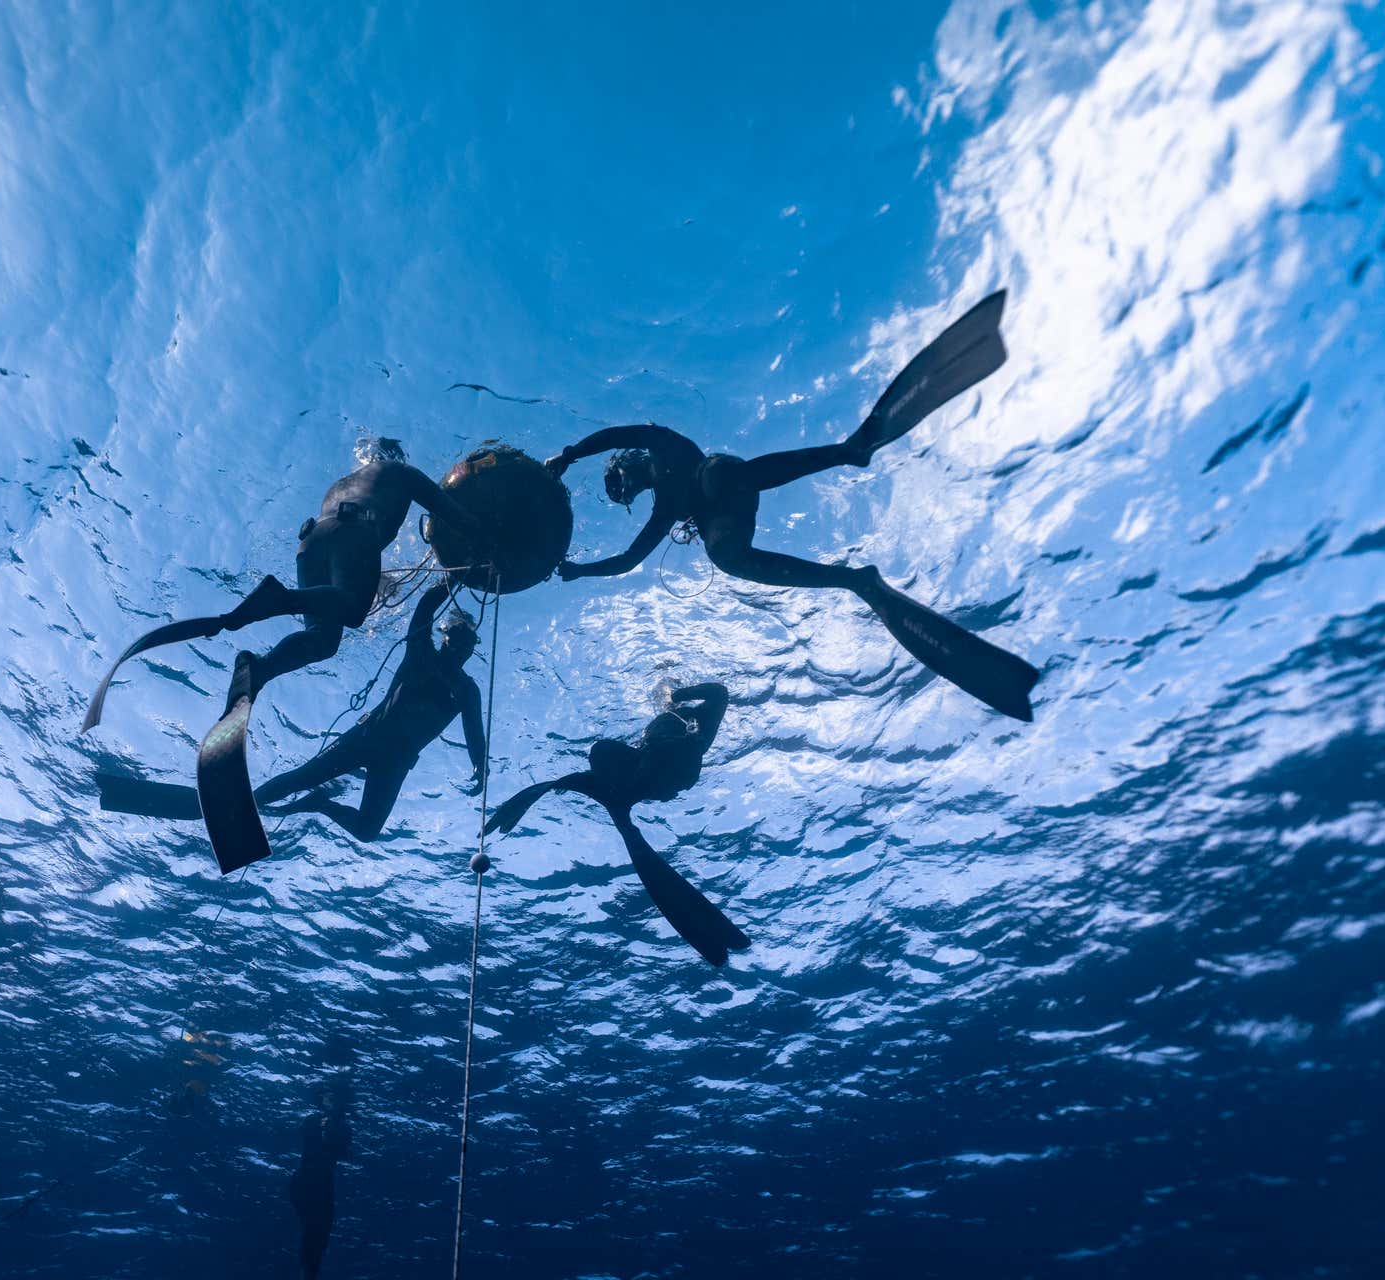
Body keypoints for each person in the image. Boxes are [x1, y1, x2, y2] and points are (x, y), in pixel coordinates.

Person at [543, 292, 1041, 722]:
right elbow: (630, 560)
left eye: (617, 479)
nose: (623, 488)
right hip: (724, 519)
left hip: (722, 474)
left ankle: (852, 449)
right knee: (726, 559)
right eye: (620, 493)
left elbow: (614, 435)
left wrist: (569, 455)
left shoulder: (661, 444)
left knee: (718, 476)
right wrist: (579, 572)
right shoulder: (666, 511)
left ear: (626, 464)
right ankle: (855, 580)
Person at [80, 438, 485, 730]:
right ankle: (280, 598)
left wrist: (376, 581)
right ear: (395, 457)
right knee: (355, 613)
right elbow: (448, 510)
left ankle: (260, 669)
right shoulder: (401, 473)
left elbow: (345, 547)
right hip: (356, 533)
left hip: (311, 542)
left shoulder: (344, 484)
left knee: (324, 640)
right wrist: (487, 542)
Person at [97, 578, 485, 840]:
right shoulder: (420, 651)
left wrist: (479, 767)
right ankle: (234, 805)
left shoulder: (467, 691)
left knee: (367, 830)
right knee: (297, 779)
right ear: (445, 637)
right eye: (454, 637)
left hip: (398, 761)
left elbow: (475, 733)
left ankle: (319, 804)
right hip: (368, 737)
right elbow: (426, 606)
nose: (458, 645)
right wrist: (456, 576)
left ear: (471, 648)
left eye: (466, 642)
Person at [486, 683, 750, 965]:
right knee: (607, 765)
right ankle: (613, 798)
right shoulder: (694, 725)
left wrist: (676, 696)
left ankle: (611, 797)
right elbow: (719, 694)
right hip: (648, 774)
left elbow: (719, 693)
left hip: (657, 769)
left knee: (605, 764)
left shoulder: (698, 721)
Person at [288, 1081, 352, 1279]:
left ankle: (308, 1272)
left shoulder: (342, 1126)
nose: (328, 1101)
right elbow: (311, 1140)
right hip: (308, 1182)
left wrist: (334, 1126)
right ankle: (307, 1271)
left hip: (322, 1186)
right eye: (325, 1097)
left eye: (332, 1097)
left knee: (319, 1235)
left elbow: (342, 1150)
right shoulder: (312, 1120)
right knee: (312, 1231)